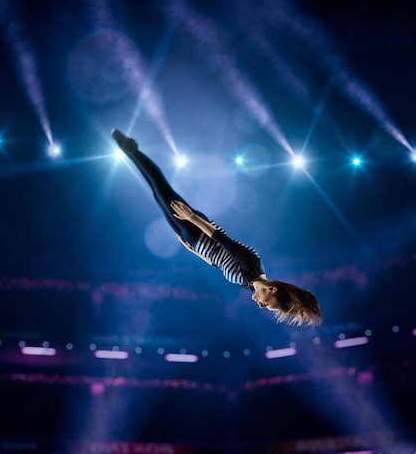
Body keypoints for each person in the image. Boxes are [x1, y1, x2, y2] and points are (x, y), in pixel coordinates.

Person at [111, 128, 322, 327]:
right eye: (269, 304)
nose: (262, 305)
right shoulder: (253, 263)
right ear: (272, 290)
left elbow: (218, 264)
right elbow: (221, 239)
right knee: (160, 185)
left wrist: (194, 252)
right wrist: (191, 216)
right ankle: (131, 148)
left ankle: (130, 151)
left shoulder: (247, 283)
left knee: (156, 195)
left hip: (193, 239)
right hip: (196, 228)